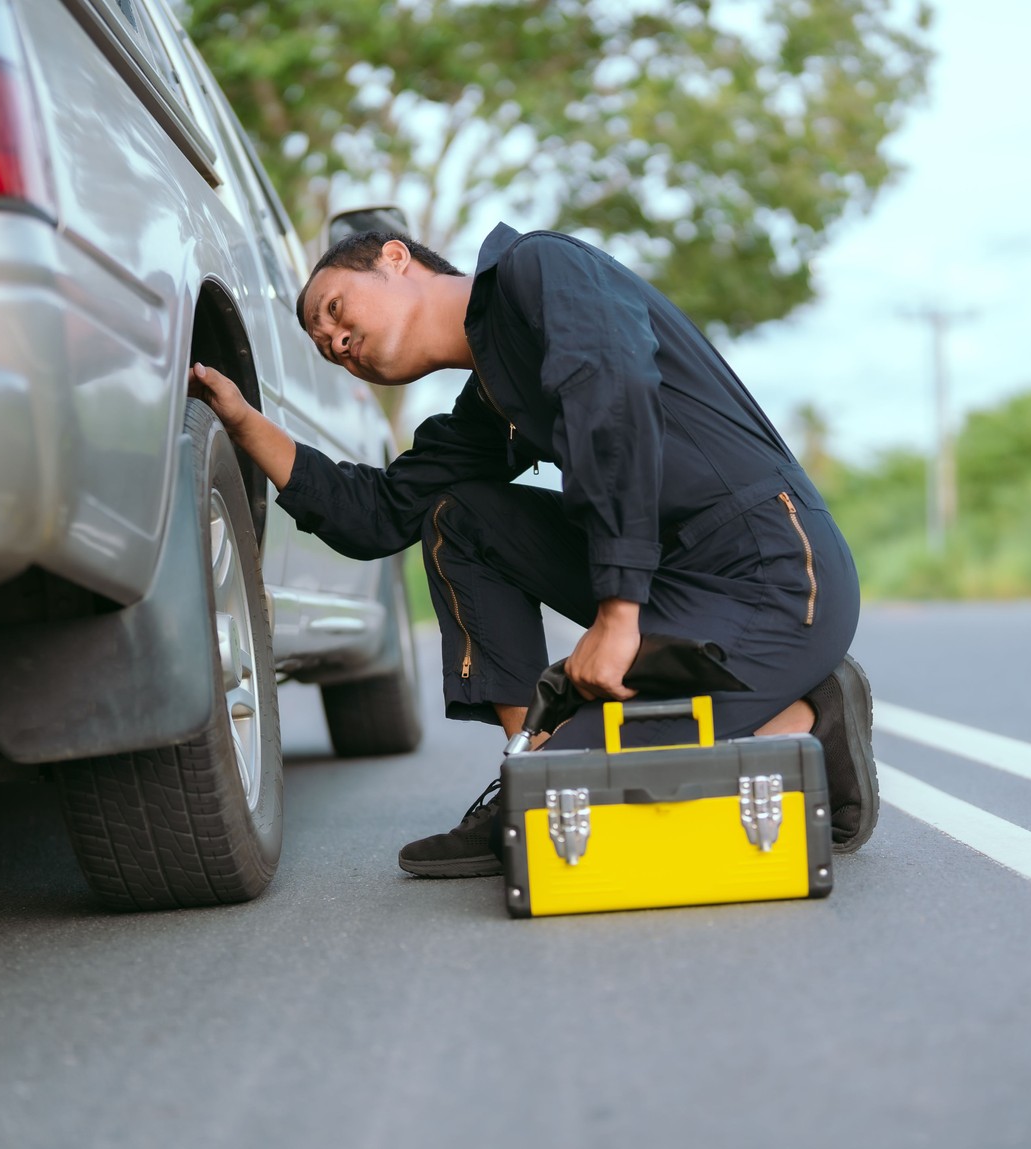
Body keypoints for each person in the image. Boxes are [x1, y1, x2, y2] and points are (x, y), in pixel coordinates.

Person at [188, 223, 877, 877]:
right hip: (681, 583)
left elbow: (613, 397)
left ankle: (808, 714)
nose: (335, 339)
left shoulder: (540, 269)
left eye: (335, 309)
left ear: (397, 259)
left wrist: (617, 612)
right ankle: (538, 766)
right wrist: (245, 424)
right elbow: (377, 516)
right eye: (322, 343)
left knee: (603, 799)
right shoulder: (493, 394)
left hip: (775, 573)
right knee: (461, 518)